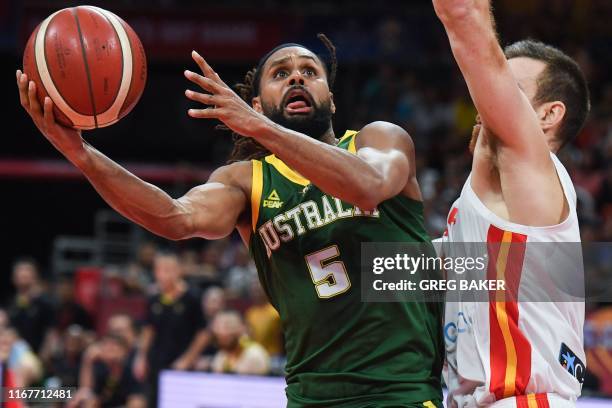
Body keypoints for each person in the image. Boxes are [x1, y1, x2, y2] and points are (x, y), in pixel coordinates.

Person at [16, 34, 443, 406]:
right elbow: (174, 217)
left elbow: (367, 185)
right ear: (256, 104)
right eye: (280, 73)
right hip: (312, 395)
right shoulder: (246, 181)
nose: (296, 77)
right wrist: (81, 155)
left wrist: (259, 128)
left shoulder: (378, 139)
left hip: (400, 390)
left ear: (331, 97)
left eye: (309, 71)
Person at [432, 1, 590, 407]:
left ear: (548, 115)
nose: (487, 100)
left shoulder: (531, 170)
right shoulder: (483, 210)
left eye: (508, 90)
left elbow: (464, 17)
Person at [132, 252, 210, 407]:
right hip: (156, 362)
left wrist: (187, 359)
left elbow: (204, 332)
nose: (164, 274)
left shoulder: (192, 297)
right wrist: (140, 357)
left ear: (178, 271)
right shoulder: (154, 298)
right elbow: (149, 329)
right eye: (160, 270)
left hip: (181, 363)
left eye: (168, 269)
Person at [7, 258, 56, 353]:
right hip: (12, 354)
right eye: (20, 273)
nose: (23, 275)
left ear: (35, 277)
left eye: (27, 273)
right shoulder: (10, 303)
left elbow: (51, 331)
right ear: (14, 278)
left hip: (36, 354)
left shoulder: (45, 303)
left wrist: (46, 352)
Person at [210, 310, 269, 375]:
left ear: (243, 328)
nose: (222, 331)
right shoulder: (221, 356)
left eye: (228, 326)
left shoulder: (254, 354)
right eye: (218, 327)